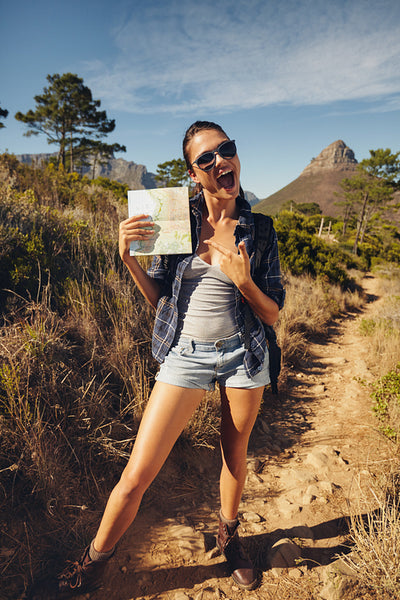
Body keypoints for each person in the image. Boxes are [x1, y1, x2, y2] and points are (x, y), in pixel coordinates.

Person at [27, 120, 285, 599]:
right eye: (206, 158)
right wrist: (128, 258)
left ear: (235, 154)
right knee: (136, 476)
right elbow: (162, 299)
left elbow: (272, 312)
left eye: (225, 150)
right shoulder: (173, 218)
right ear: (194, 174)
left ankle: (230, 538)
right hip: (185, 354)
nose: (219, 161)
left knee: (235, 455)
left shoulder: (260, 229)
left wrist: (244, 280)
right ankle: (92, 563)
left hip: (243, 356)